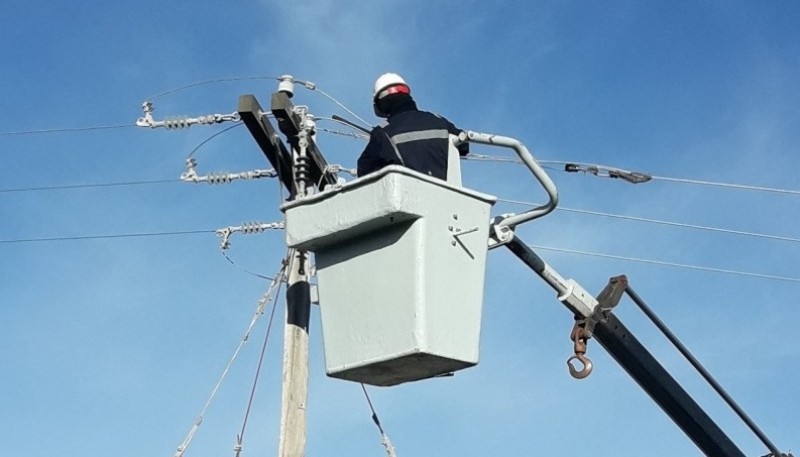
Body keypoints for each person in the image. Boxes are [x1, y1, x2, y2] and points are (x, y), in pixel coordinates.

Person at [356, 73, 468, 180]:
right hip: (445, 196)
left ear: (381, 104)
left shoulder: (382, 131)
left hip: (407, 196)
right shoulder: (438, 120)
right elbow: (464, 145)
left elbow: (364, 170)